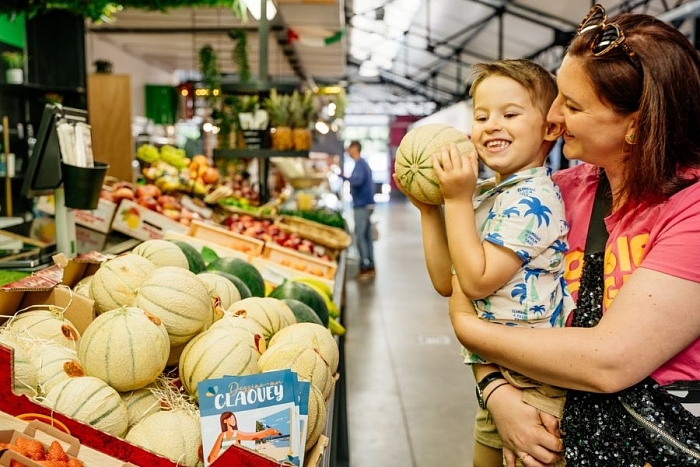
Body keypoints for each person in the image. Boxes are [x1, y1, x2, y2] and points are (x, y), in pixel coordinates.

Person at [447, 5, 700, 466]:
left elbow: (608, 360)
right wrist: (495, 390)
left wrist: (467, 330)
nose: (554, 116)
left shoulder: (691, 211)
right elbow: (481, 290)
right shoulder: (552, 196)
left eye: (573, 104)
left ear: (635, 125)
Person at [395, 58, 572, 467]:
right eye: (481, 115)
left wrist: (457, 199)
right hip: (500, 376)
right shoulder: (491, 195)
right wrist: (429, 210)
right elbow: (447, 280)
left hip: (536, 386)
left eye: (510, 114)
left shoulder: (533, 199)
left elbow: (475, 282)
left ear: (549, 128)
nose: (492, 124)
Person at [344, 140, 376, 279]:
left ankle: (364, 266)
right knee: (367, 236)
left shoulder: (360, 164)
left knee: (360, 236)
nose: (347, 151)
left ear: (355, 148)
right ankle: (371, 265)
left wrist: (344, 177)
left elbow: (357, 181)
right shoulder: (363, 164)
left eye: (349, 148)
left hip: (361, 205)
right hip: (367, 204)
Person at [206, 411, 281, 464]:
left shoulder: (236, 433)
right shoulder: (222, 435)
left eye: (234, 418)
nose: (233, 420)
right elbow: (212, 456)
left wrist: (268, 432)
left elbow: (253, 436)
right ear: (225, 421)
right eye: (230, 418)